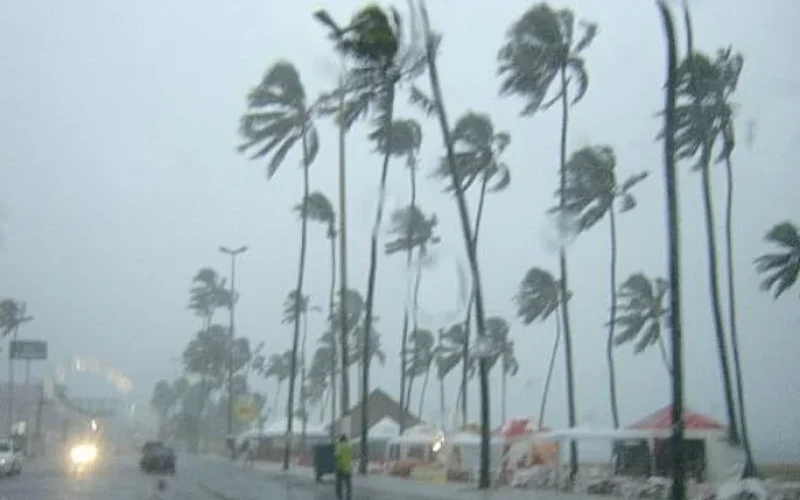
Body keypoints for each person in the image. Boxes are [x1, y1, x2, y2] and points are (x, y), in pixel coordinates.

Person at [334, 434, 353, 500]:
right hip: (348, 468)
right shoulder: (349, 446)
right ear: (346, 439)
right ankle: (349, 497)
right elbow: (351, 456)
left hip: (340, 468)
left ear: (340, 440)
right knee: (348, 485)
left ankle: (340, 497)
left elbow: (337, 456)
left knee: (339, 484)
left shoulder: (339, 446)